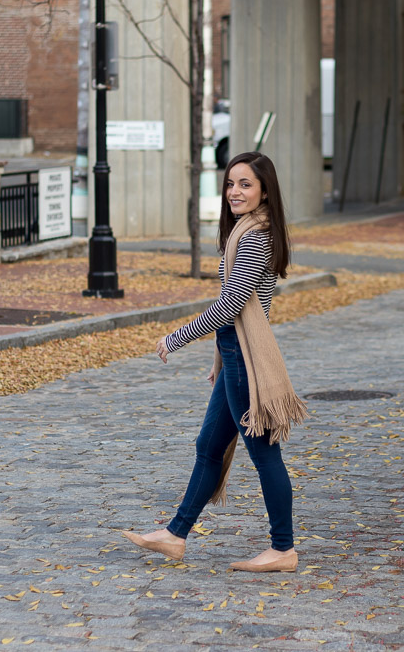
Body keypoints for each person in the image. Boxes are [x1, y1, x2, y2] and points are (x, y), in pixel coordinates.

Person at [123, 152, 308, 573]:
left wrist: (178, 337)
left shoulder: (257, 235)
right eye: (230, 184)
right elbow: (242, 313)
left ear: (264, 191)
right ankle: (174, 535)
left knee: (264, 454)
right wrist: (219, 359)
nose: (235, 192)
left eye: (245, 184)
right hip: (234, 358)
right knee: (209, 447)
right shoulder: (246, 231)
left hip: (245, 362)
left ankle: (283, 549)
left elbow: (231, 306)